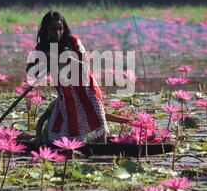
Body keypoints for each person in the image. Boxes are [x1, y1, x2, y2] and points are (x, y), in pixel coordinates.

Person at [26, 11, 130, 143]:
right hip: (66, 94)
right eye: (53, 29)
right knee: (67, 129)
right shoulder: (41, 48)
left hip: (86, 91)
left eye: (60, 29)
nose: (57, 33)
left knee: (97, 126)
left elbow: (85, 67)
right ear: (46, 30)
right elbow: (31, 72)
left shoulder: (73, 41)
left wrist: (70, 59)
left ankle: (101, 152)